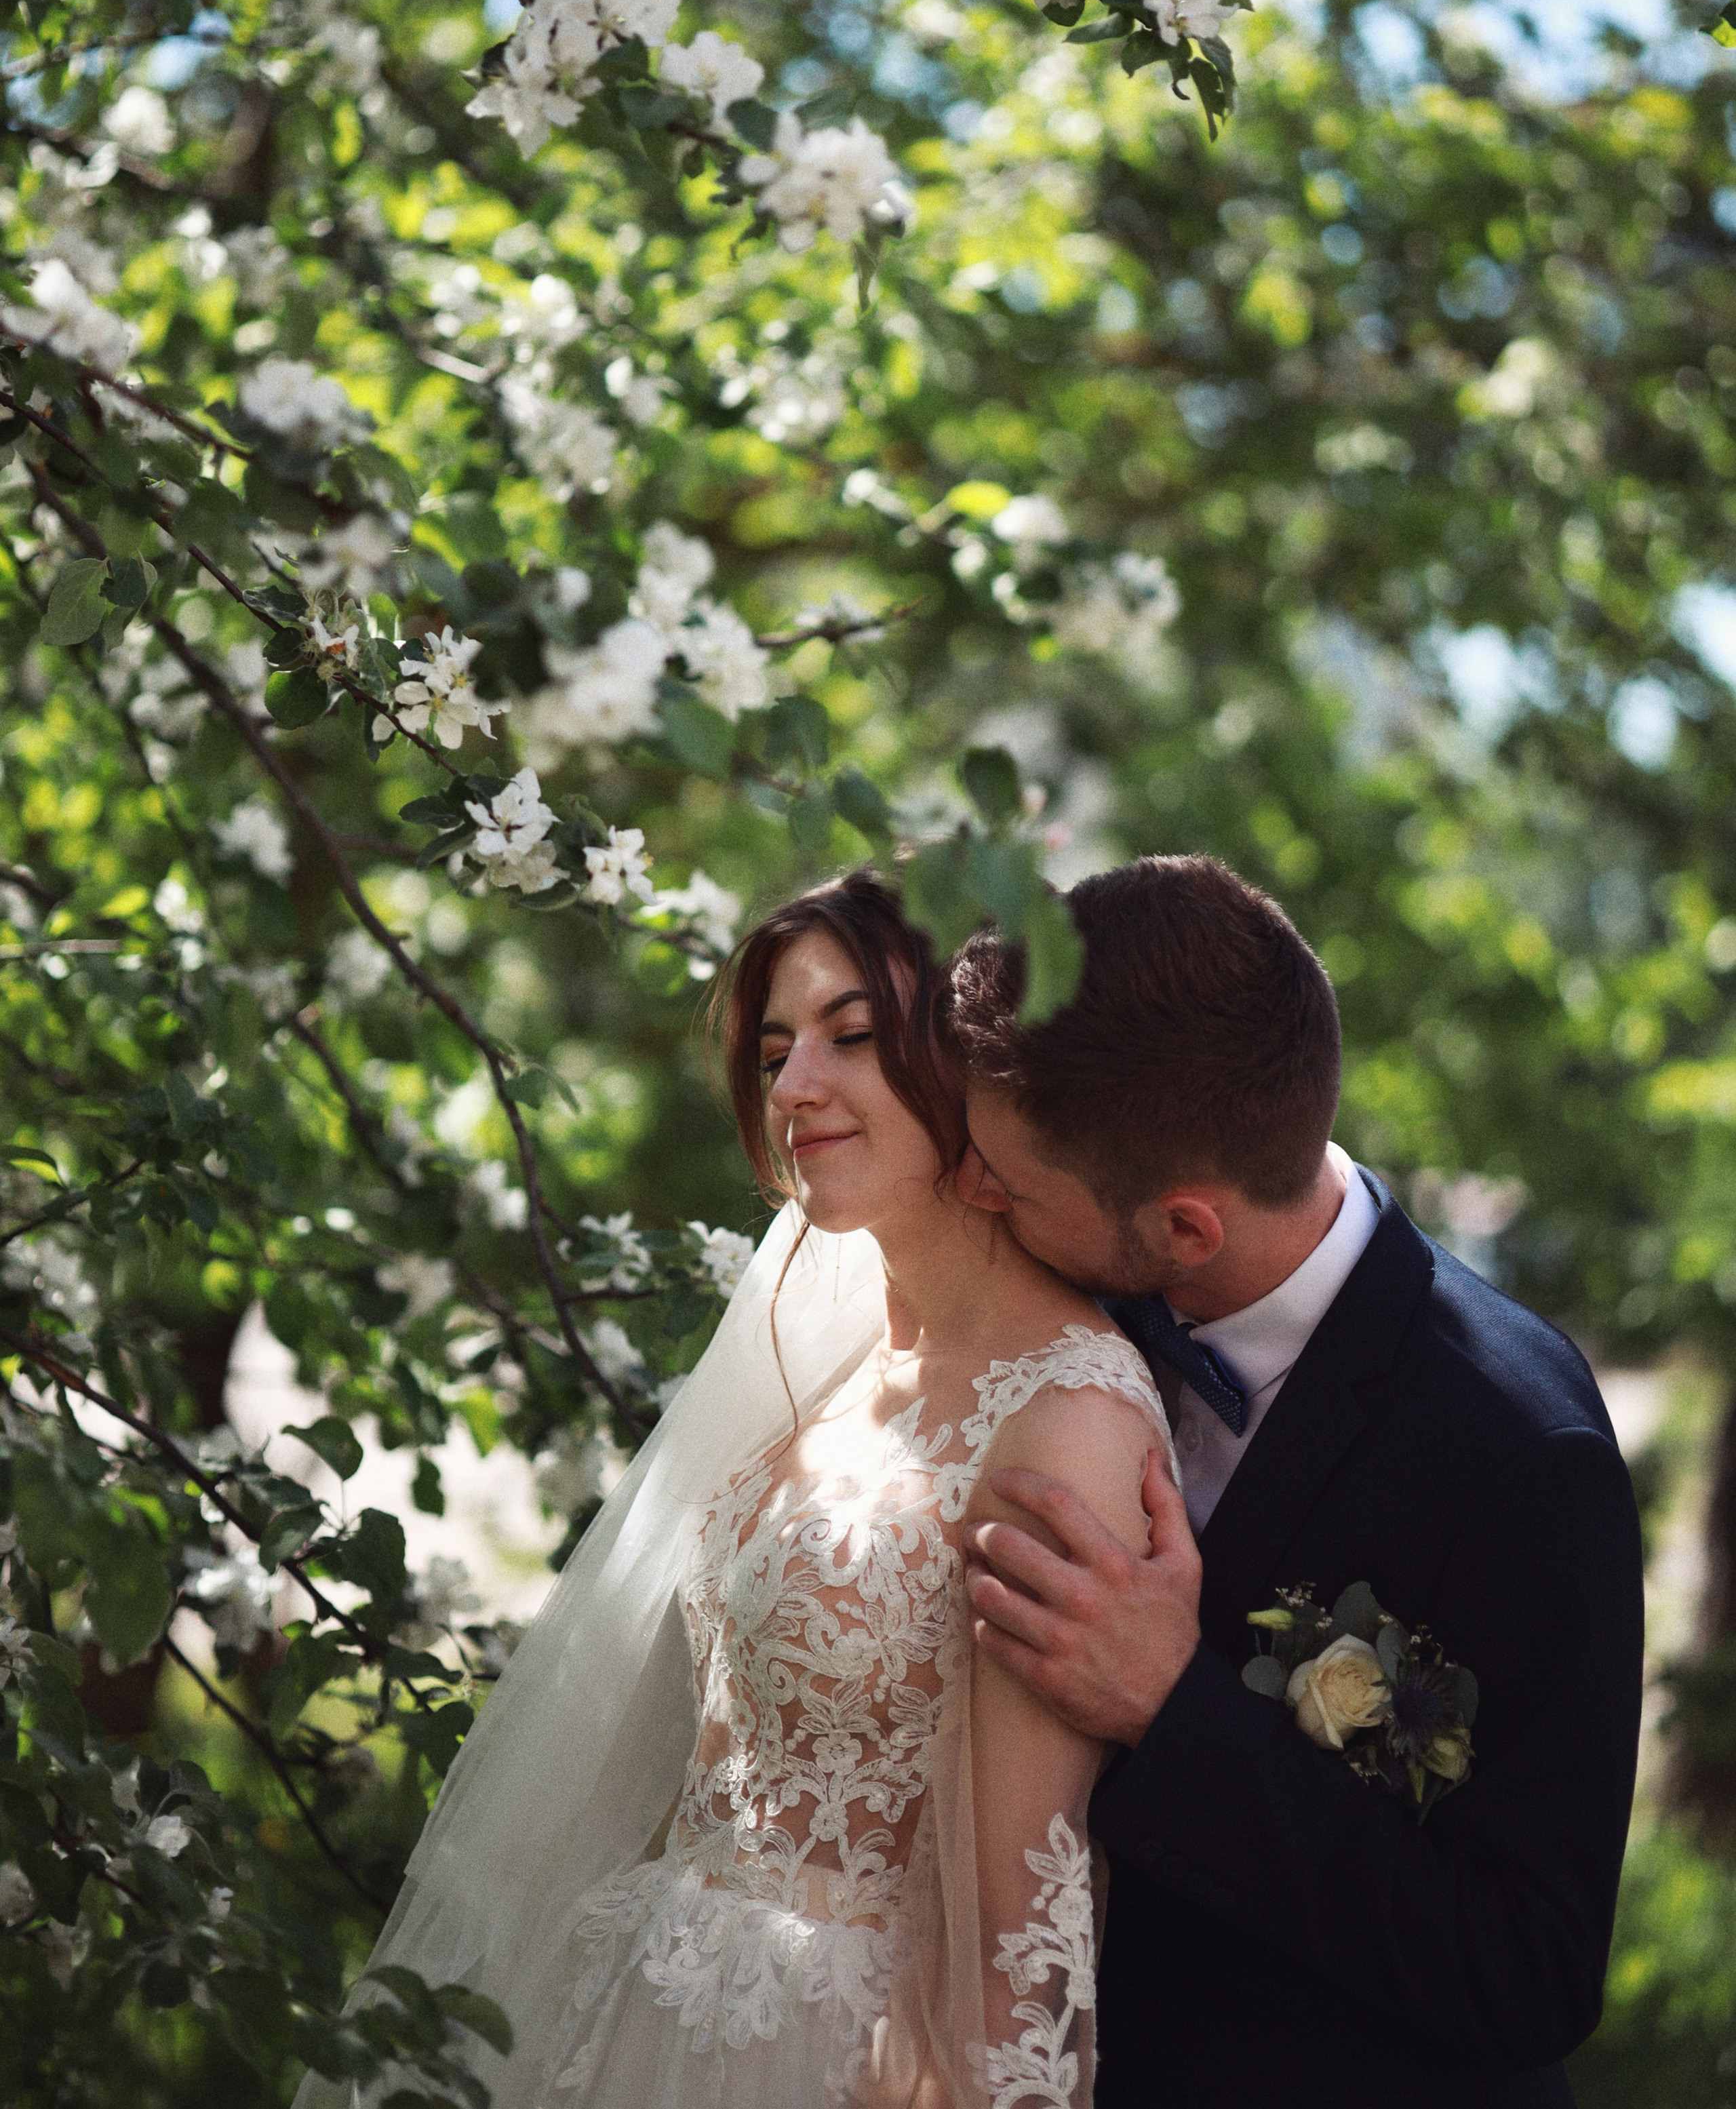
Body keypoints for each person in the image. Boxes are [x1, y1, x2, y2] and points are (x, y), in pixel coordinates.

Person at [295, 869, 1170, 2109]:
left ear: (963, 1061)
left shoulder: (1067, 1413)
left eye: (851, 1037)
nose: (794, 1086)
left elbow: (1011, 1944)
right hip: (642, 2024)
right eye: (776, 1051)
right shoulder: (831, 1359)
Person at [946, 852, 1646, 2109]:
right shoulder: (1050, 1323)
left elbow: (1528, 1972)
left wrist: (1178, 1709)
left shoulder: (1522, 1452)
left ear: (1186, 1227)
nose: (975, 1188)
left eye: (1013, 1179)